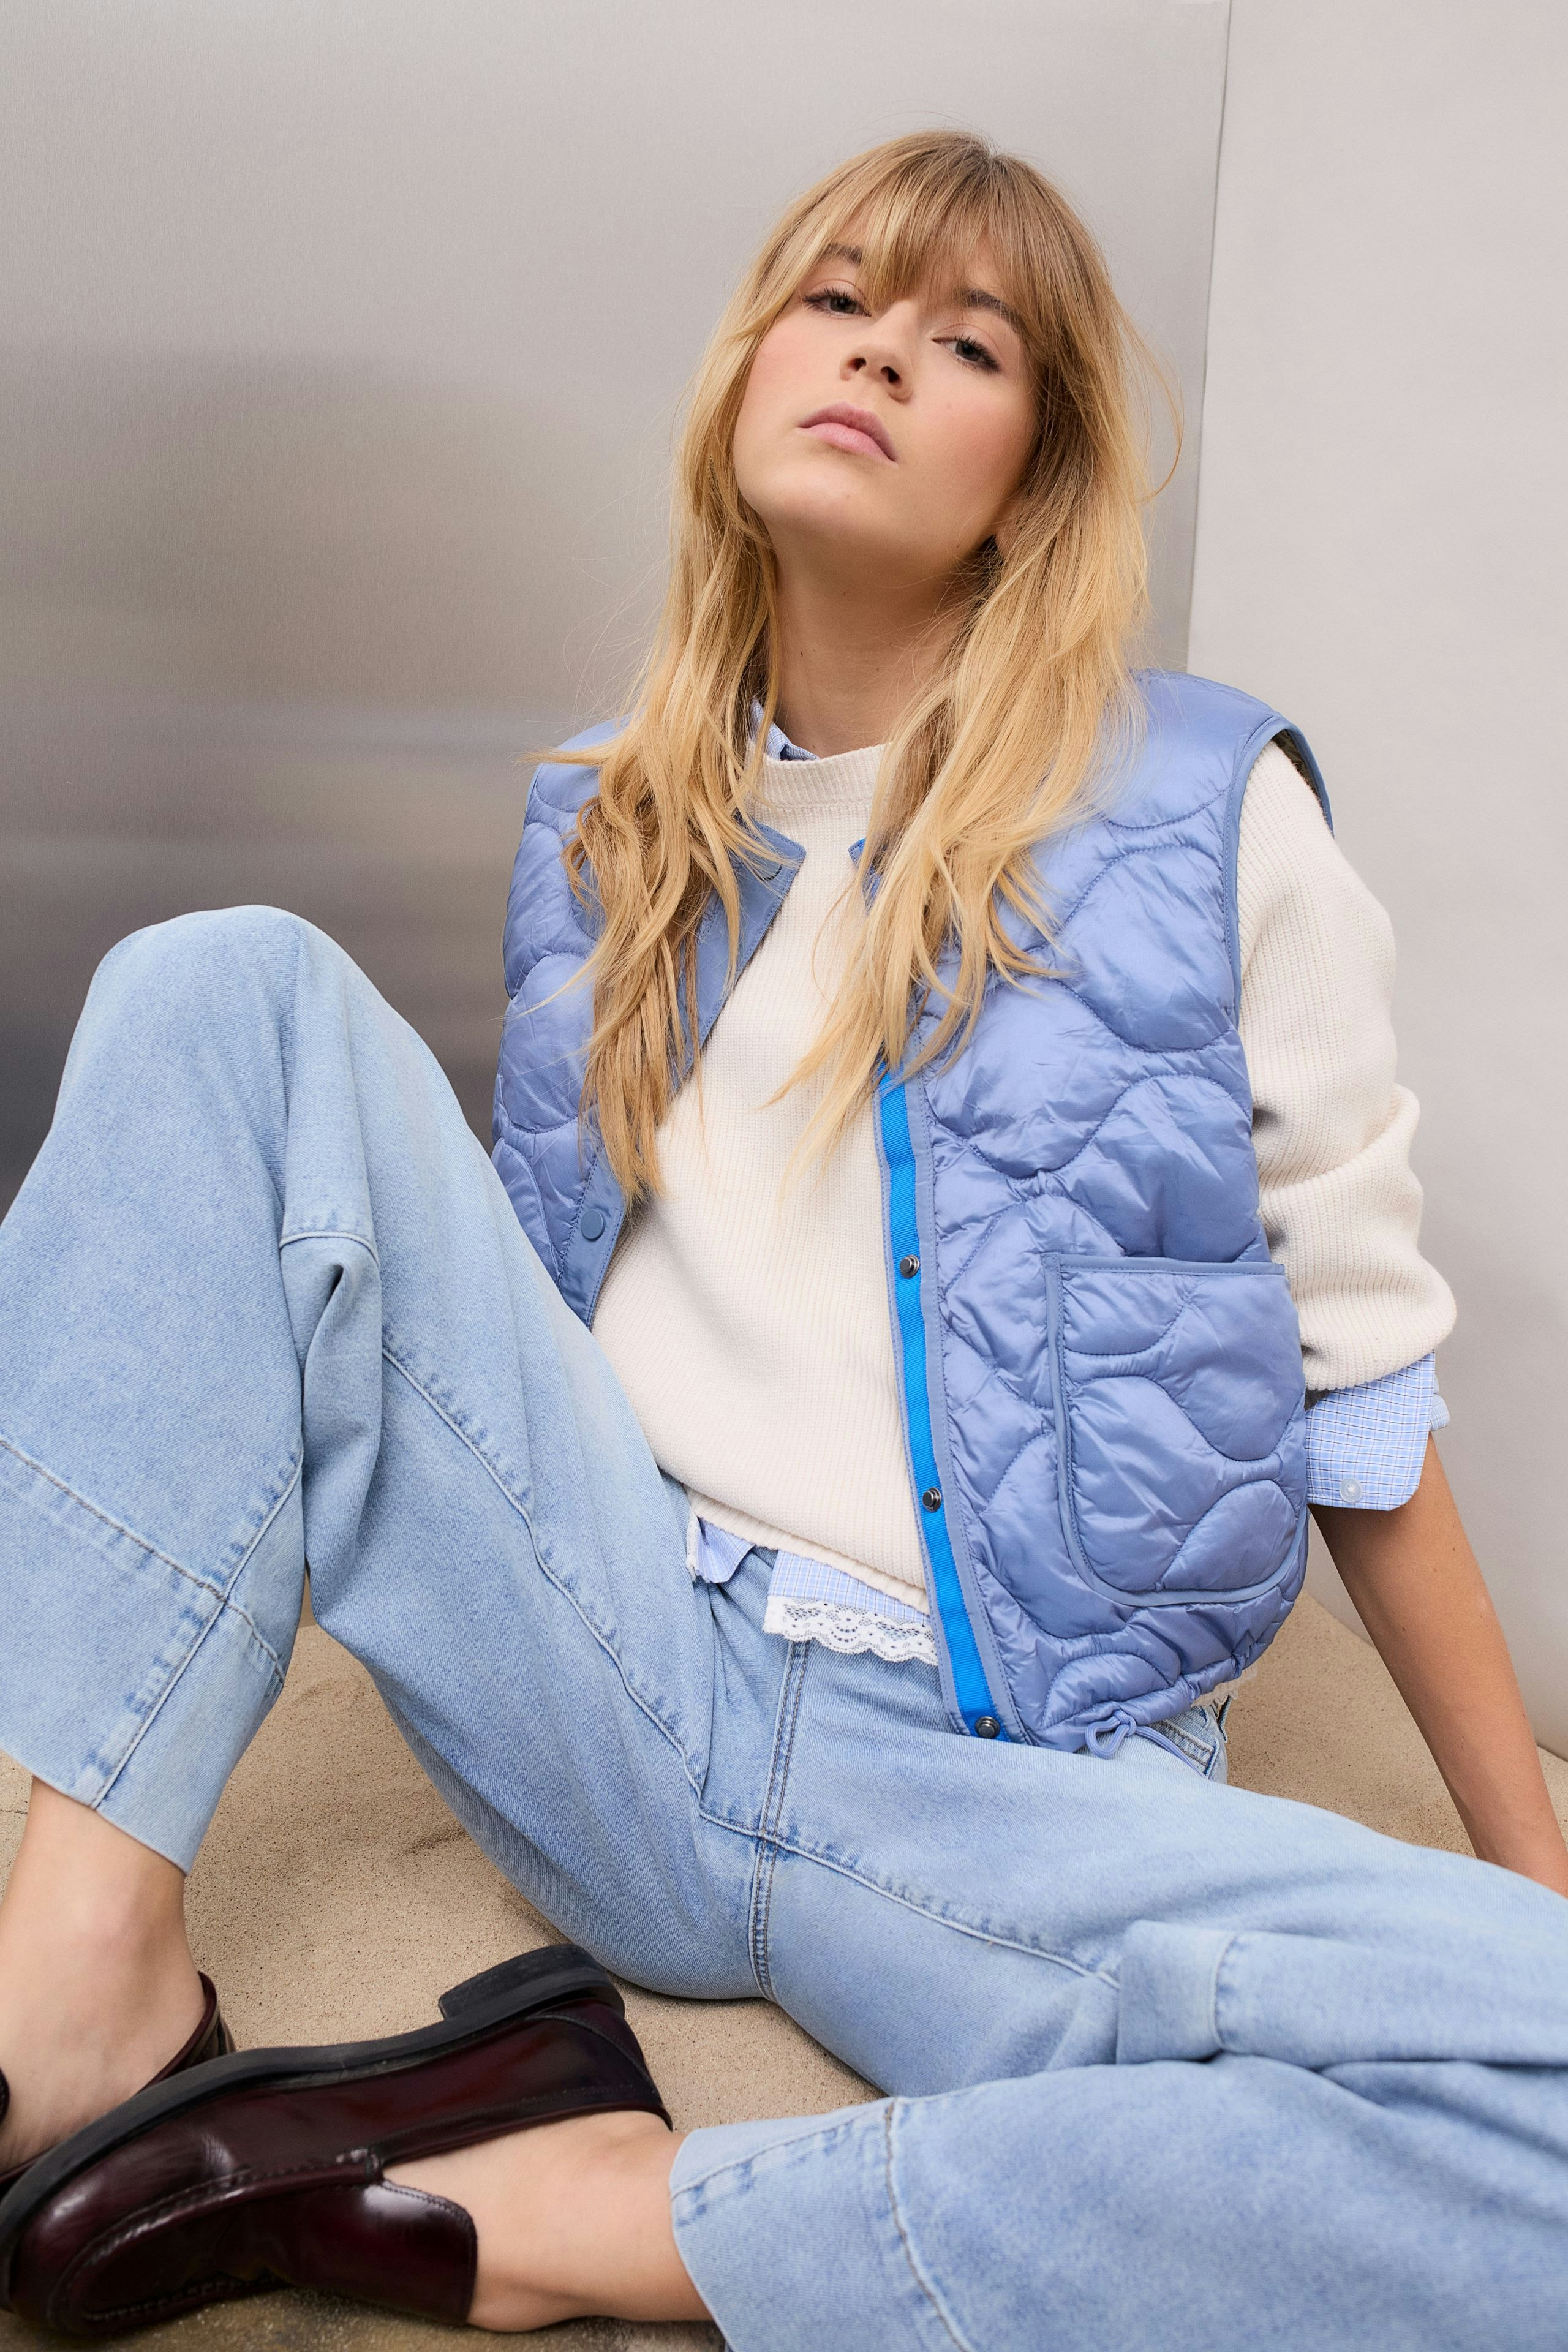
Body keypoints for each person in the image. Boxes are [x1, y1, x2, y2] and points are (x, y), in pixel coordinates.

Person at [0, 129, 1565, 2347]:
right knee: (220, 983)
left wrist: (1532, 1874)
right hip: (612, 1661)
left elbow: (1366, 1392)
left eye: (966, 340)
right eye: (837, 304)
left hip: (989, 1781)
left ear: (1034, 471)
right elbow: (464, 1308)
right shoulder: (615, 814)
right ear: (749, 372)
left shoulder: (1216, 819)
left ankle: (604, 2216)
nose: (880, 358)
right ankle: (85, 1999)